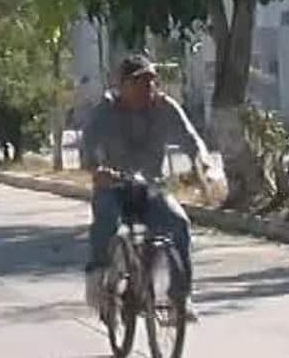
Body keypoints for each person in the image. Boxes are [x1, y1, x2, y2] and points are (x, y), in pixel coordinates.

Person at [81, 54, 211, 317]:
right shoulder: (106, 110)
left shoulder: (165, 107)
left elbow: (191, 139)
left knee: (178, 223)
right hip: (114, 186)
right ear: (122, 85)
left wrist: (203, 165)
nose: (147, 88)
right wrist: (97, 169)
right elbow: (88, 149)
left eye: (151, 81)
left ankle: (180, 298)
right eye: (139, 82)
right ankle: (98, 277)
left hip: (150, 187)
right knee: (106, 218)